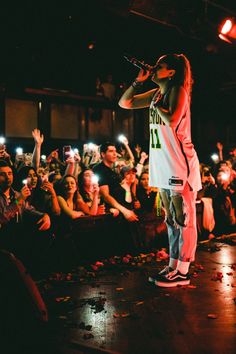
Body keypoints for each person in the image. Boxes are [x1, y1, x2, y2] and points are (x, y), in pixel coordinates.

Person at [119, 53, 202, 287]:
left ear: (172, 72)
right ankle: (173, 264)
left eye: (160, 66)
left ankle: (183, 270)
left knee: (183, 216)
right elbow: (124, 103)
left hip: (179, 162)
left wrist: (157, 105)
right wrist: (138, 81)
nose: (154, 68)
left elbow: (173, 120)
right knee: (170, 219)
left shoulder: (178, 90)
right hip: (162, 163)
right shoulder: (157, 93)